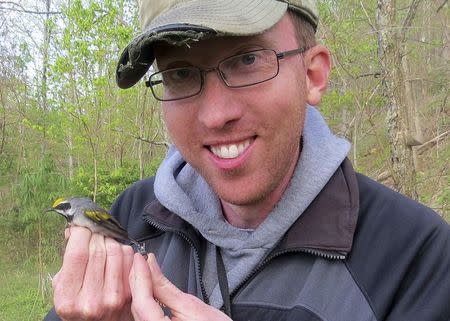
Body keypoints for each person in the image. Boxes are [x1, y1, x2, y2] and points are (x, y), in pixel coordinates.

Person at [44, 1, 450, 320]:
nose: (216, 114)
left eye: (246, 60)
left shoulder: (417, 257)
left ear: (313, 76)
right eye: (180, 73)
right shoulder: (134, 215)